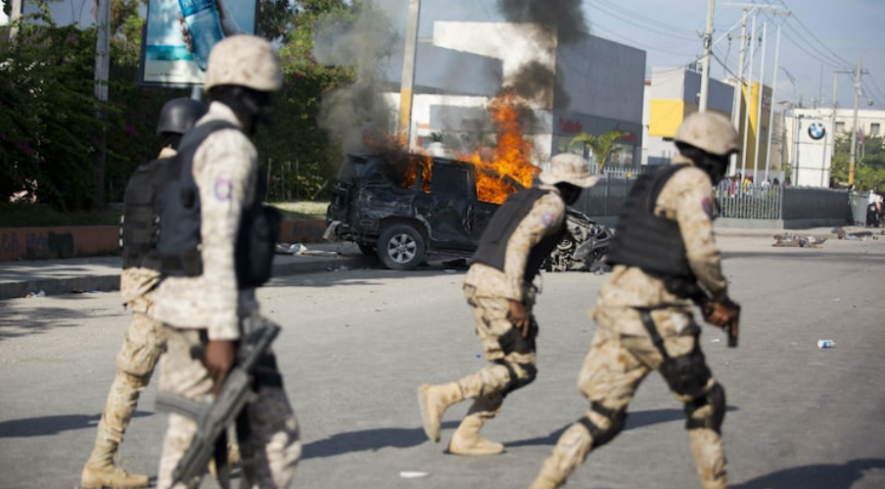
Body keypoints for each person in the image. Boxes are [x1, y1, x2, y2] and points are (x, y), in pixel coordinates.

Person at [524, 111, 742, 489]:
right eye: (725, 159)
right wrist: (721, 297)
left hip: (616, 305)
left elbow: (655, 255)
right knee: (706, 401)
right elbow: (701, 252)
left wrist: (700, 299)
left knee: (604, 415)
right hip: (655, 312)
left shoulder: (651, 180)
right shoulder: (694, 181)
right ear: (714, 155)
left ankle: (543, 483)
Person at [150, 34, 300, 489]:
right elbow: (216, 239)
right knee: (274, 440)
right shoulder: (230, 146)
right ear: (248, 94)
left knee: (189, 443)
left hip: (184, 309)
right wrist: (222, 333)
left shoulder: (195, 137)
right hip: (213, 319)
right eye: (264, 97)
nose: (268, 110)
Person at [417, 153, 598, 456]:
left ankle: (467, 435)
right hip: (500, 289)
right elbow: (519, 243)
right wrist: (514, 298)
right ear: (573, 187)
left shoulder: (522, 198)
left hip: (482, 280)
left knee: (509, 367)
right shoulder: (552, 207)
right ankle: (443, 395)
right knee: (522, 368)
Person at [81, 97, 207, 489]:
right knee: (134, 377)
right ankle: (100, 464)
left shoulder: (143, 174)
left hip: (140, 280)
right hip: (164, 288)